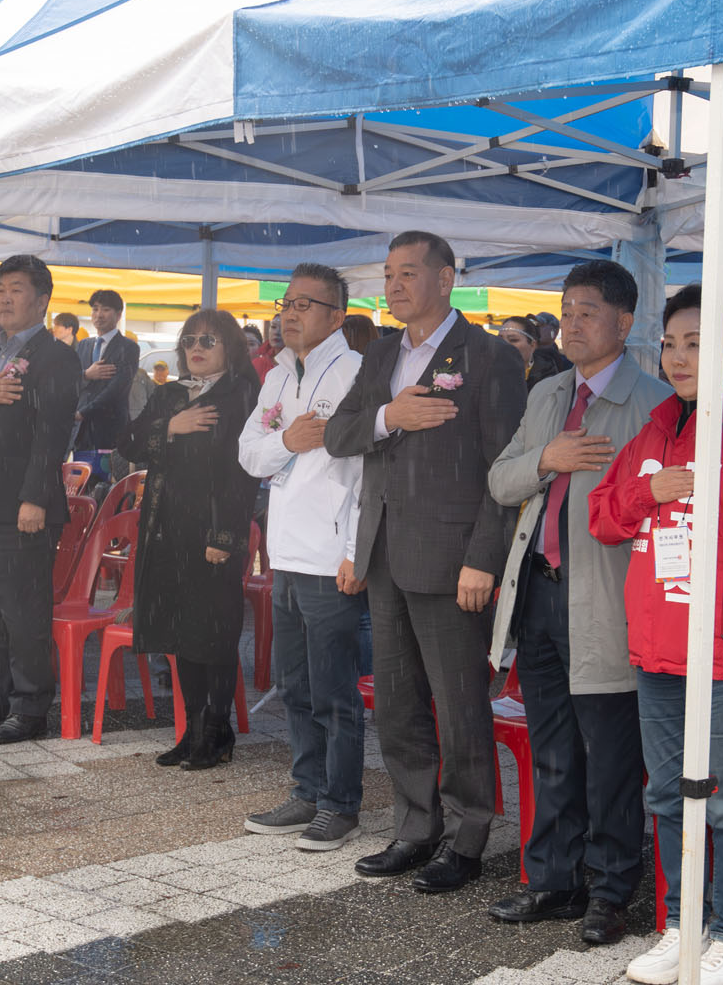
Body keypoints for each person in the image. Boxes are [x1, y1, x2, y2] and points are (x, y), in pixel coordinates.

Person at [590, 285, 723, 985]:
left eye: (698, 344)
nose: (679, 358)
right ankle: (682, 926)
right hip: (657, 647)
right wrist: (646, 492)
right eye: (671, 344)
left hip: (722, 652)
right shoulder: (653, 432)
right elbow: (602, 517)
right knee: (666, 794)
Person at [325, 230, 526, 893]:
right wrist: (391, 415)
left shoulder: (489, 357)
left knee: (460, 703)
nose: (394, 285)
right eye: (388, 274)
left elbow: (504, 469)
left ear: (446, 279)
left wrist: (484, 558)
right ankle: (415, 826)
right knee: (398, 702)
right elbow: (340, 434)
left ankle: (467, 836)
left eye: (409, 273)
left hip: (452, 559)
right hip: (385, 552)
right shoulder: (382, 353)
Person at [486, 262, 671, 945]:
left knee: (611, 755)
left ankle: (611, 891)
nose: (570, 324)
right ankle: (553, 881)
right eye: (565, 311)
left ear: (624, 322)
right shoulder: (547, 393)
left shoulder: (654, 404)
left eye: (587, 312)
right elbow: (501, 480)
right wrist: (548, 458)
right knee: (553, 747)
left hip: (607, 601)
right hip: (538, 592)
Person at [238, 264, 366, 850]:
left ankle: (340, 804)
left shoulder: (356, 373)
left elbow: (366, 474)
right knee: (294, 685)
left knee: (334, 691)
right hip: (284, 552)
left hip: (330, 556)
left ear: (336, 316)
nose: (289, 314)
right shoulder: (277, 375)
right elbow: (248, 454)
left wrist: (354, 552)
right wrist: (286, 441)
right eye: (286, 303)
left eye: (304, 305)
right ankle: (306, 791)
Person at [117, 310, 258, 766]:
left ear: (230, 348)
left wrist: (225, 534)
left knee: (213, 634)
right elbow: (128, 442)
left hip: (212, 531)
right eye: (190, 340)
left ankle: (216, 731)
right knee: (181, 633)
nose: (196, 348)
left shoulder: (241, 394)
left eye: (208, 341)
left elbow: (242, 473)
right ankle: (193, 729)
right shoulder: (170, 394)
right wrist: (169, 428)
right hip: (166, 529)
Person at [0, 255, 82, 744]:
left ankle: (30, 709)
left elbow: (52, 434)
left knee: (24, 614)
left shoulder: (56, 356)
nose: (4, 298)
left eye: (16, 289)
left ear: (42, 300)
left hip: (20, 508)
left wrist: (35, 499)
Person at [74, 289, 140, 452]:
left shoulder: (128, 347)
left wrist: (83, 413)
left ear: (118, 315)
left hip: (110, 429)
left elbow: (117, 389)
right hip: (81, 431)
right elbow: (70, 381)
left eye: (105, 309)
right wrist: (86, 375)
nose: (99, 315)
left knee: (108, 469)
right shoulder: (83, 345)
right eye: (95, 309)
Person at [252, 315, 283, 382]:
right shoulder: (258, 363)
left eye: (283, 328)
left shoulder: (300, 365)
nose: (276, 332)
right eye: (273, 327)